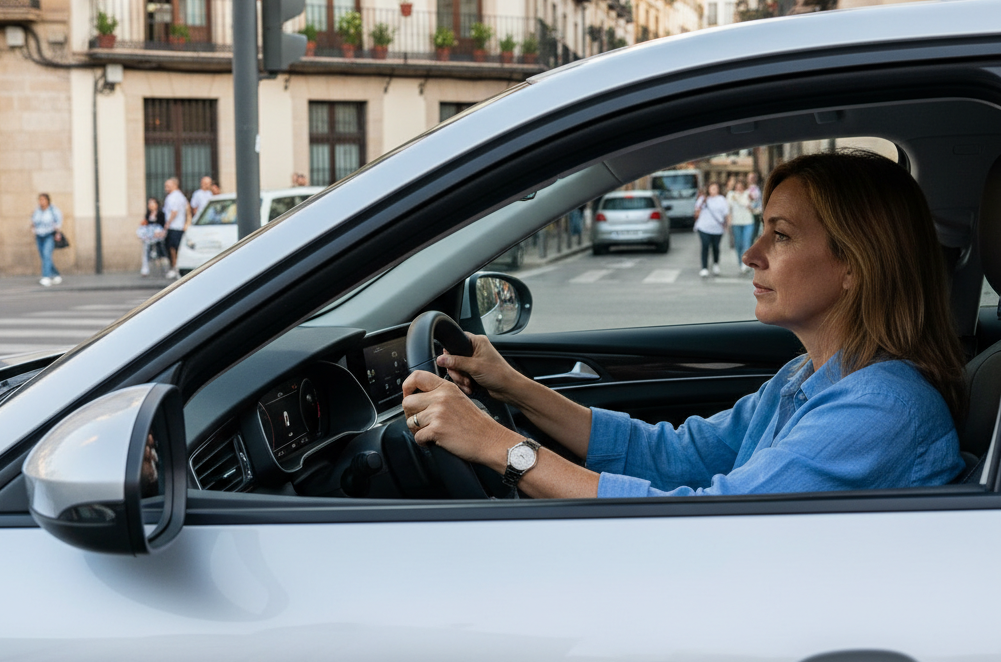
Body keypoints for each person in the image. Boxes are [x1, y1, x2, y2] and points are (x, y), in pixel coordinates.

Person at [401, 151, 965, 499]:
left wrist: (498, 446)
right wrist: (512, 387)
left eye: (782, 235)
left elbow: (710, 519)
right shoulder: (806, 378)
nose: (751, 254)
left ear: (854, 265)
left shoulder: (880, 410)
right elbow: (676, 457)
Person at [694, 181, 728, 277]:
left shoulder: (722, 200)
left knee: (716, 247)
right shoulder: (703, 199)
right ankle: (704, 268)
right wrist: (701, 203)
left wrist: (728, 225)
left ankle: (716, 264)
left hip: (717, 228)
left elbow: (726, 213)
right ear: (708, 189)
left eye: (715, 188)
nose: (713, 190)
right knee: (705, 245)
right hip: (703, 227)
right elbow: (696, 212)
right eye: (712, 188)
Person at [30, 193, 63, 287]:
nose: (41, 202)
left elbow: (59, 221)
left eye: (43, 199)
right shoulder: (37, 211)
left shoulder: (53, 210)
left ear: (48, 200)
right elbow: (33, 221)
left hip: (49, 235)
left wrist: (57, 232)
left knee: (46, 254)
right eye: (40, 200)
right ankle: (56, 275)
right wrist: (33, 229)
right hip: (39, 235)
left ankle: (46, 277)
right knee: (44, 256)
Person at [161, 177, 189, 280]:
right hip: (178, 225)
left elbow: (174, 211)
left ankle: (175, 267)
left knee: (173, 248)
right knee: (175, 247)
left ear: (175, 185)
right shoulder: (180, 196)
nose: (166, 188)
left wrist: (168, 223)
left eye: (168, 186)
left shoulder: (174, 197)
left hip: (175, 226)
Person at [728, 179, 756, 274]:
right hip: (736, 222)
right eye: (737, 187)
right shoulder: (731, 194)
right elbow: (728, 207)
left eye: (740, 187)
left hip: (748, 221)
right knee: (738, 244)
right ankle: (741, 263)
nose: (739, 189)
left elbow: (751, 205)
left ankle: (745, 264)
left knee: (747, 242)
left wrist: (742, 199)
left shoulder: (748, 194)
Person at [136, 196, 166, 277]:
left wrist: (159, 232)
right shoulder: (148, 214)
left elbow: (163, 225)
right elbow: (146, 224)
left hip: (158, 237)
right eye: (149, 203)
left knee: (161, 253)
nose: (151, 205)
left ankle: (164, 269)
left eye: (153, 203)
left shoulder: (161, 214)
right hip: (149, 236)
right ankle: (145, 269)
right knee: (146, 251)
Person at [747, 170, 763, 237]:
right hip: (746, 213)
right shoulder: (744, 187)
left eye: (753, 177)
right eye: (750, 177)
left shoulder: (760, 187)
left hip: (756, 213)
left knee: (754, 233)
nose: (751, 179)